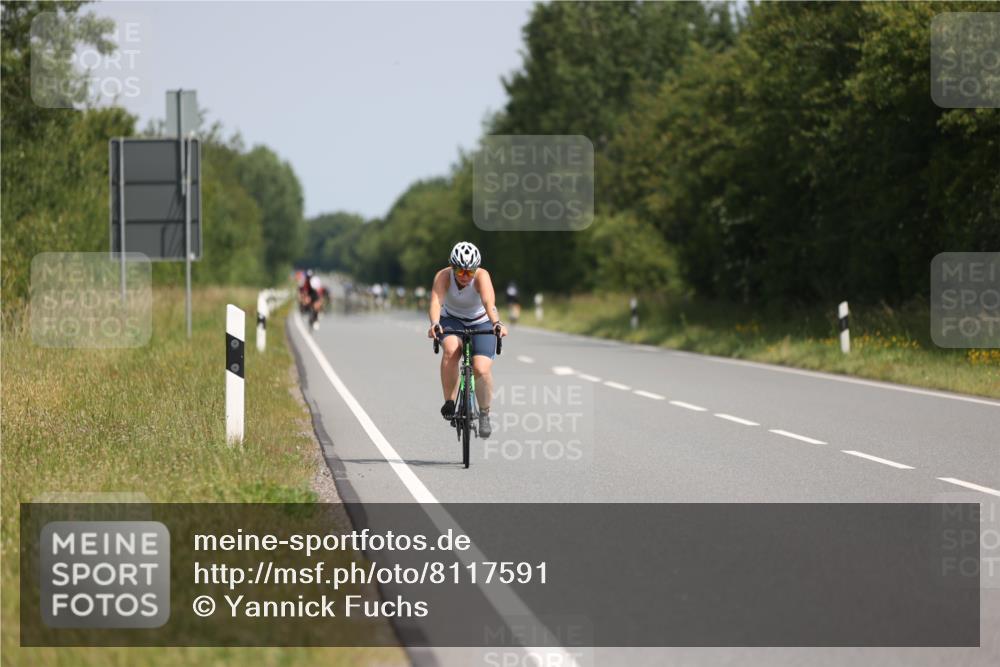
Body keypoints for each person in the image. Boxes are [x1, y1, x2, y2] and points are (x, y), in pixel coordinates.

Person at [427, 241, 508, 438]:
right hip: (452, 319)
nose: (465, 276)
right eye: (460, 271)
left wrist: (497, 323)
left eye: (469, 272)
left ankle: (484, 413)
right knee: (451, 349)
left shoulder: (482, 276)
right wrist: (435, 323)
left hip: (481, 321)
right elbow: (436, 302)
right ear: (452, 267)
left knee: (481, 368)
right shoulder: (443, 276)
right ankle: (450, 401)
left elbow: (490, 303)